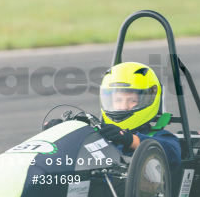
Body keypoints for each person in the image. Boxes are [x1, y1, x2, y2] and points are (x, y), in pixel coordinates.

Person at [44, 62, 181, 172]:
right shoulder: (100, 134)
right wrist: (60, 133)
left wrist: (129, 139)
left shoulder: (160, 137)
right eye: (118, 100)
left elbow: (172, 155)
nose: (123, 106)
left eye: (132, 101)